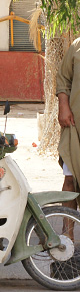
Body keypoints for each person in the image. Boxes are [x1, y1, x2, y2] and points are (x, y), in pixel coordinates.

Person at [57, 37, 80, 201]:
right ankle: (67, 227)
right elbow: (64, 78)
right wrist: (63, 106)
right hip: (75, 125)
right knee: (70, 179)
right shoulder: (77, 45)